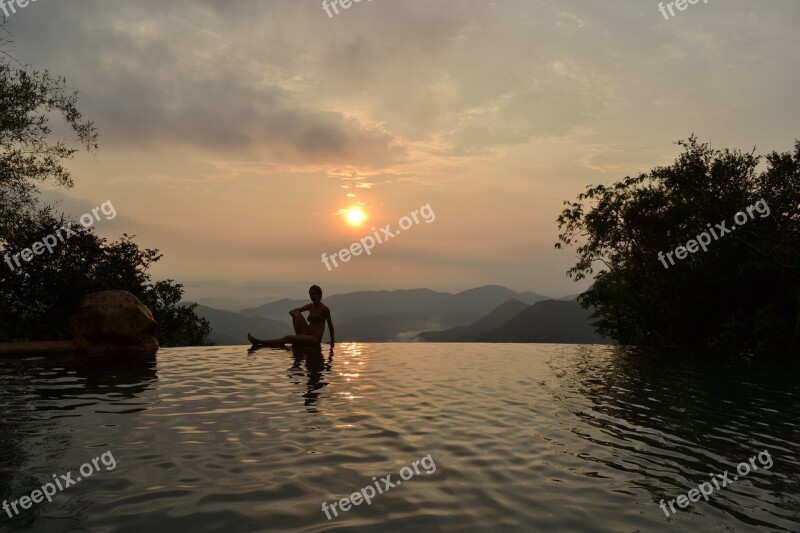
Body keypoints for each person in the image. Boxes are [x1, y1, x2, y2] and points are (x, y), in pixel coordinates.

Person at [248, 285, 335, 349]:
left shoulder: (324, 309)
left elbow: (330, 326)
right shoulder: (310, 306)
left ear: (320, 295)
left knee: (287, 338)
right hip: (307, 334)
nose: (313, 296)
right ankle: (298, 338)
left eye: (315, 294)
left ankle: (259, 341)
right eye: (311, 294)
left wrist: (332, 341)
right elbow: (292, 311)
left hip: (315, 338)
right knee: (297, 314)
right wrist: (294, 314)